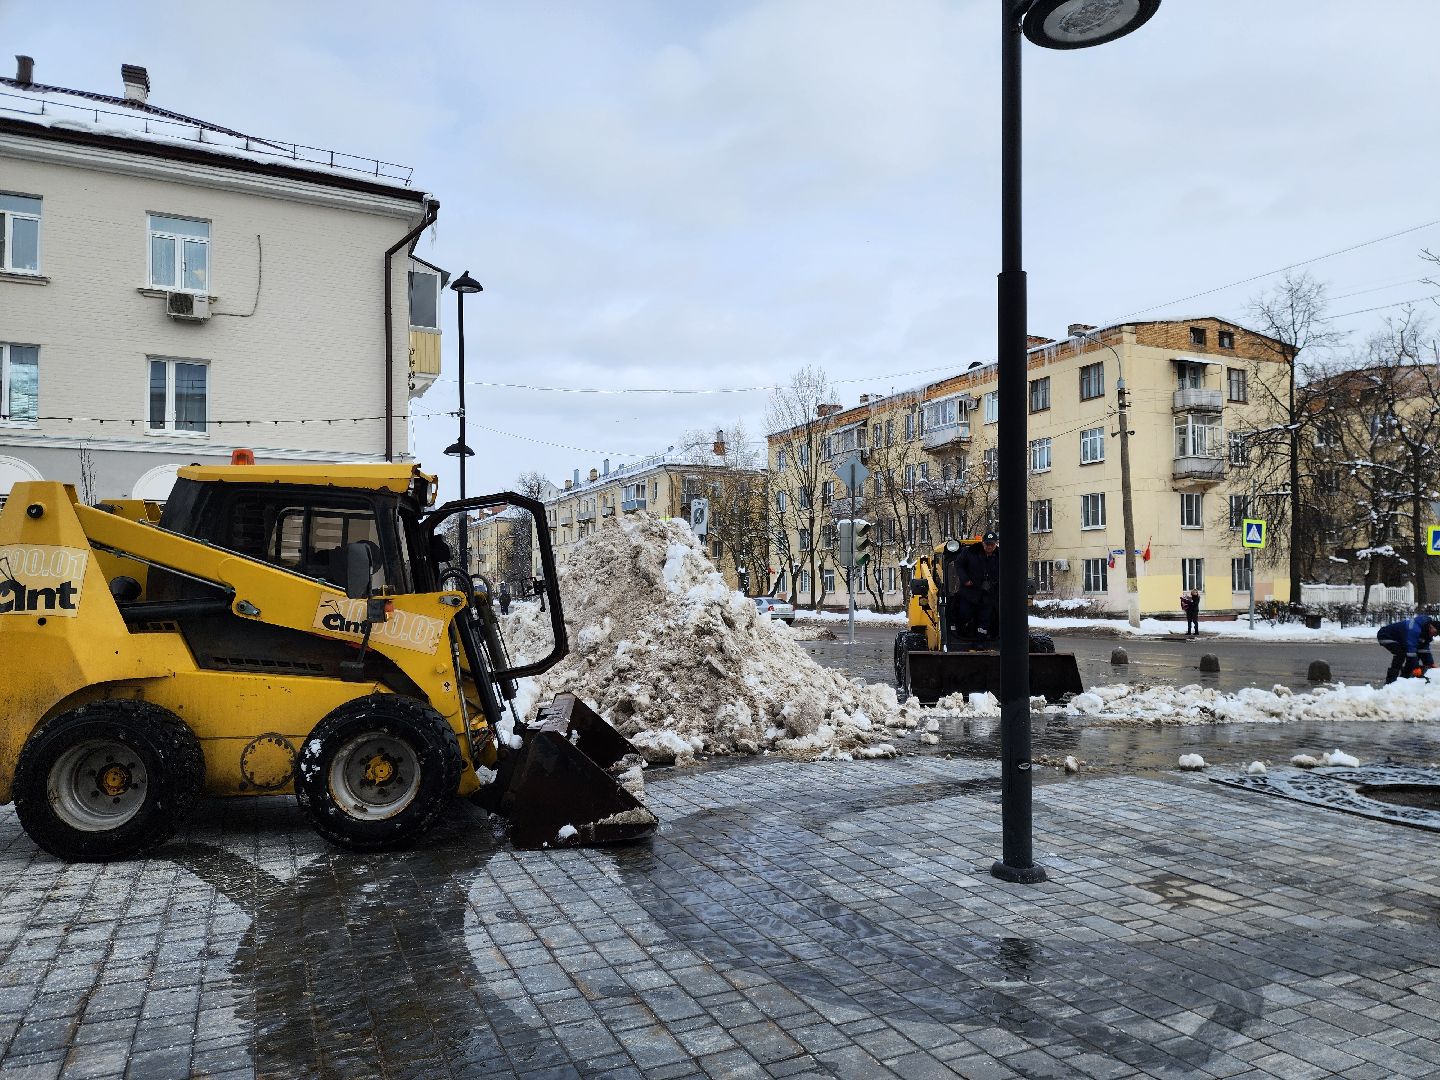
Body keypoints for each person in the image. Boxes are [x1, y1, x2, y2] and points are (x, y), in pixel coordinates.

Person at [1376, 613, 1440, 685]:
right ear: (1431, 627)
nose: (1435, 635)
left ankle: (1405, 679)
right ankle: (1390, 681)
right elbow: (1411, 650)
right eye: (1436, 632)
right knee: (1401, 654)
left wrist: (1430, 663)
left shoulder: (1426, 632)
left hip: (1402, 639)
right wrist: (1416, 667)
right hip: (1386, 636)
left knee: (1414, 656)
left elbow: (1423, 649)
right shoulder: (1414, 629)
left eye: (1437, 634)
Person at [960, 531, 1001, 638]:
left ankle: (980, 642)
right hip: (970, 592)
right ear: (983, 543)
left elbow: (1008, 571)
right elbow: (959, 565)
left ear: (996, 544)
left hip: (989, 594)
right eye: (987, 544)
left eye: (992, 544)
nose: (990, 547)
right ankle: (964, 633)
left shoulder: (1001, 556)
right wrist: (965, 579)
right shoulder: (970, 552)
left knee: (985, 618)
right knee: (965, 613)